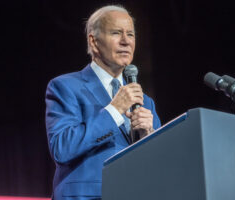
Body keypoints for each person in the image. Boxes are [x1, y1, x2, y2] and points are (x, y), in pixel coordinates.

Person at [45, 5, 161, 200]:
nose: (126, 41)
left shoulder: (145, 101)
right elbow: (62, 148)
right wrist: (114, 110)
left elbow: (160, 168)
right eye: (116, 33)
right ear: (94, 41)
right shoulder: (65, 87)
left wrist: (148, 136)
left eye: (130, 34)